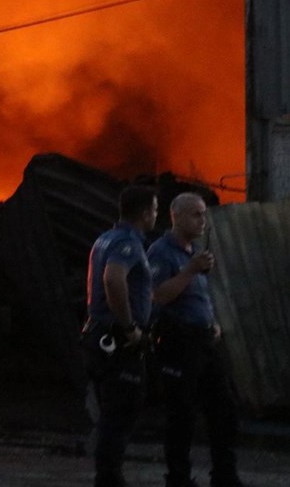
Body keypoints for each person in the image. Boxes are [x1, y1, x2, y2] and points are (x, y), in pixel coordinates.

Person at [149, 193, 243, 487]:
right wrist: (189, 271)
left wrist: (211, 322)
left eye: (204, 214)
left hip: (204, 341)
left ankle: (224, 475)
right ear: (176, 216)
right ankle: (178, 478)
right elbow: (159, 296)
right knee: (182, 414)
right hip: (179, 342)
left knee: (224, 408)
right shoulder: (161, 252)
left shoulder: (195, 253)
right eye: (196, 215)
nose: (202, 221)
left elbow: (199, 298)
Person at [82, 185, 158, 487]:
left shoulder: (105, 238)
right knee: (120, 414)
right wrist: (130, 328)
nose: (156, 215)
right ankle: (110, 479)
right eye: (154, 209)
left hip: (100, 338)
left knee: (113, 414)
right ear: (143, 213)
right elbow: (114, 279)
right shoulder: (127, 243)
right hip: (118, 342)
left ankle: (108, 476)